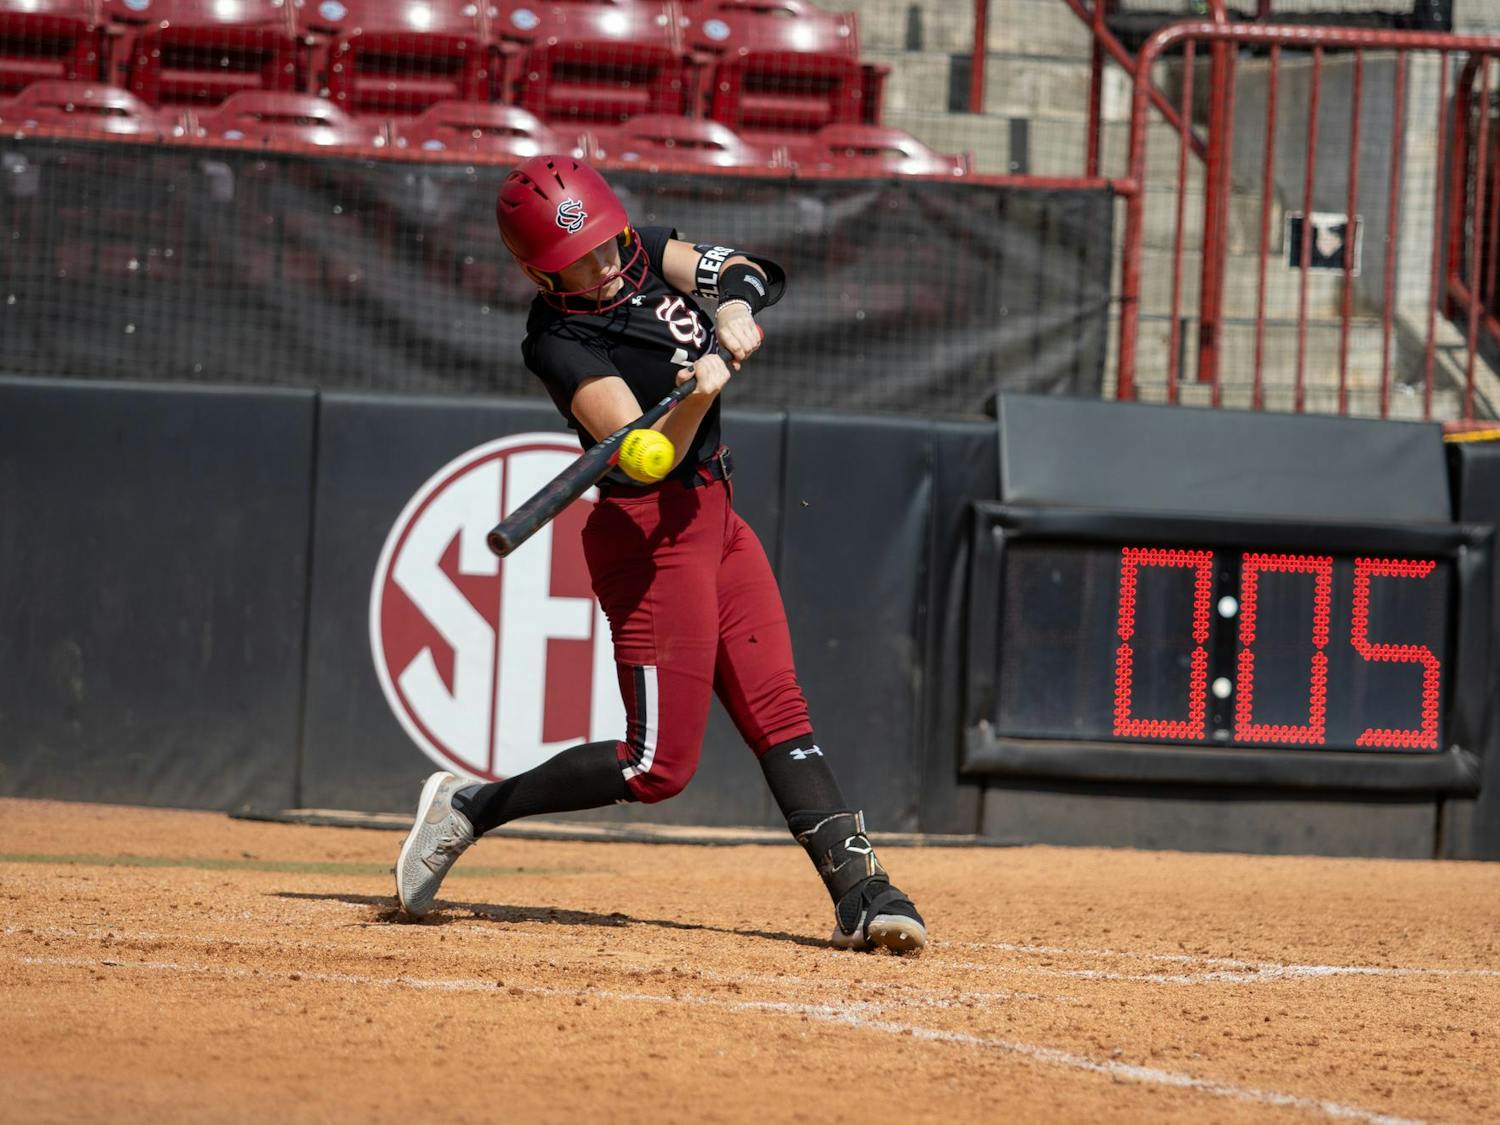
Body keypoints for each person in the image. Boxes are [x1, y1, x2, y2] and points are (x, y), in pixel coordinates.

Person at [393, 155, 927, 953]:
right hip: (645, 534)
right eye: (585, 256)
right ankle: (472, 806)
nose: (609, 263)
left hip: (715, 518)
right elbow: (647, 453)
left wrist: (736, 310)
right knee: (656, 767)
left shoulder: (637, 248)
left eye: (609, 243)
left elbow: (743, 269)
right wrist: (702, 387)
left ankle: (863, 890)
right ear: (540, 272)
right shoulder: (559, 340)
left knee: (778, 709)